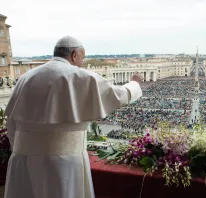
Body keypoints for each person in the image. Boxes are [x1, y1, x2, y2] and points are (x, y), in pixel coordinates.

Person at [4, 36, 143, 198]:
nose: (82, 62)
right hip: (62, 162)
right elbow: (118, 95)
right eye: (82, 58)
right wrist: (134, 84)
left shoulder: (26, 77)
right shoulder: (80, 76)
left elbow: (12, 122)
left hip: (22, 159)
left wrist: (22, 148)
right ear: (75, 54)